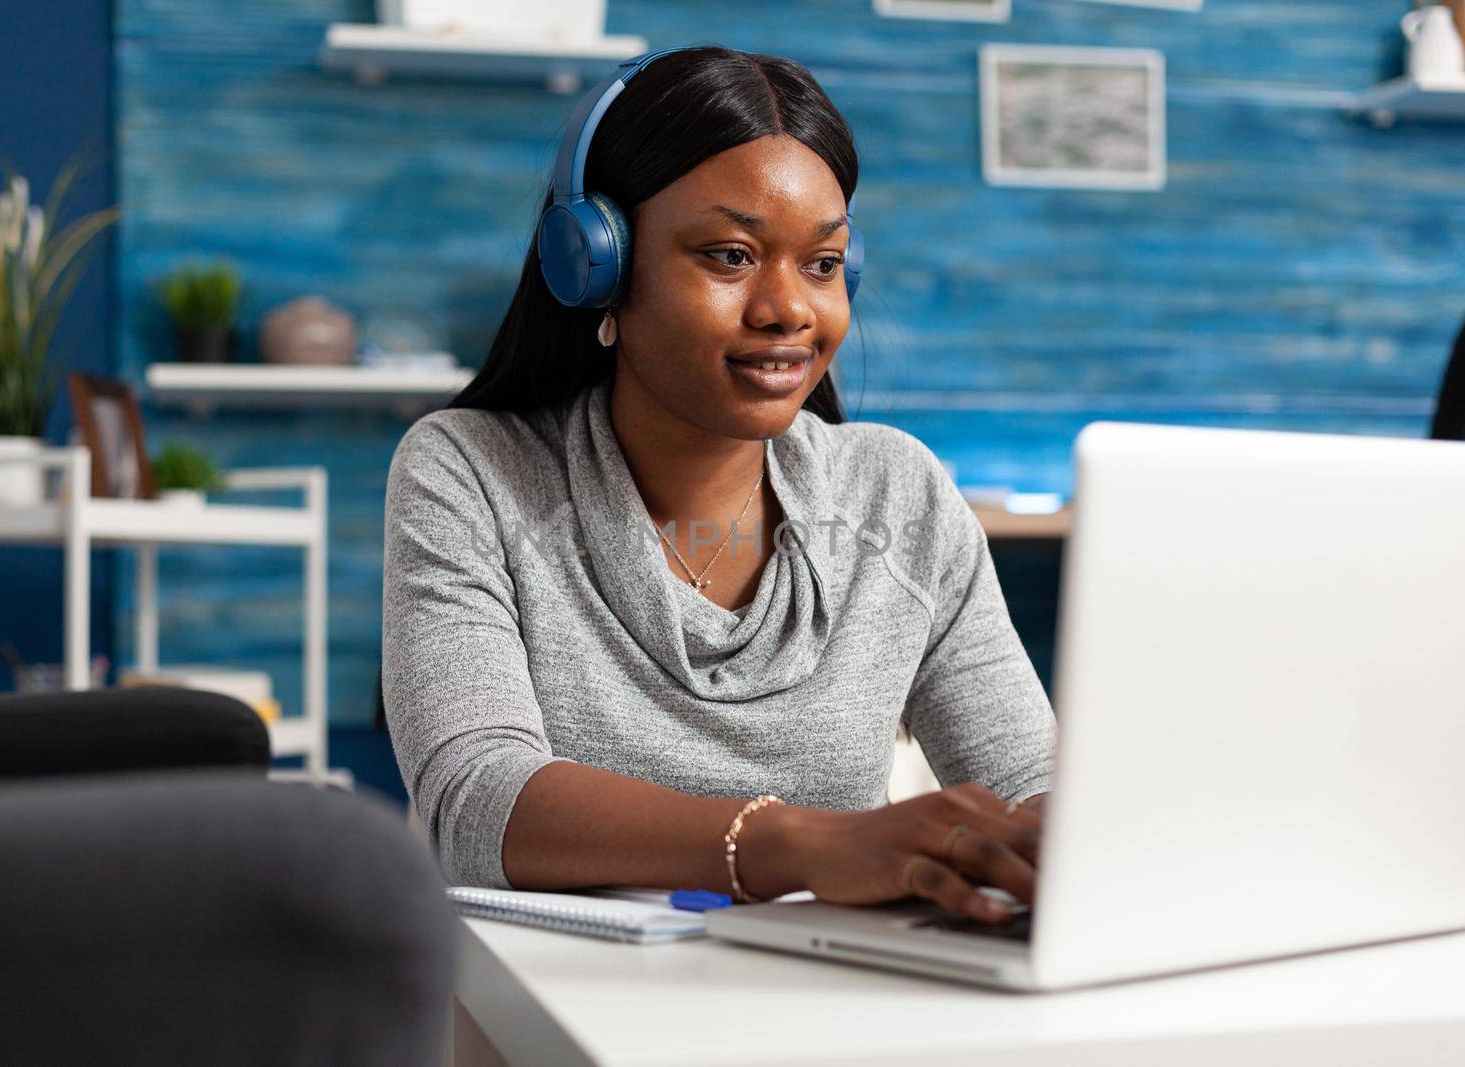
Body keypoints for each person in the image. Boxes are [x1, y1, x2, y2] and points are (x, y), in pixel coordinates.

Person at [383, 45, 1056, 924]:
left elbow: (1033, 786)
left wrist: (1057, 851)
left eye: (821, 263)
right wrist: (806, 844)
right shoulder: (469, 472)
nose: (790, 309)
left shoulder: (898, 494)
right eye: (732, 255)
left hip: (829, 1005)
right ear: (599, 269)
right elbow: (476, 800)